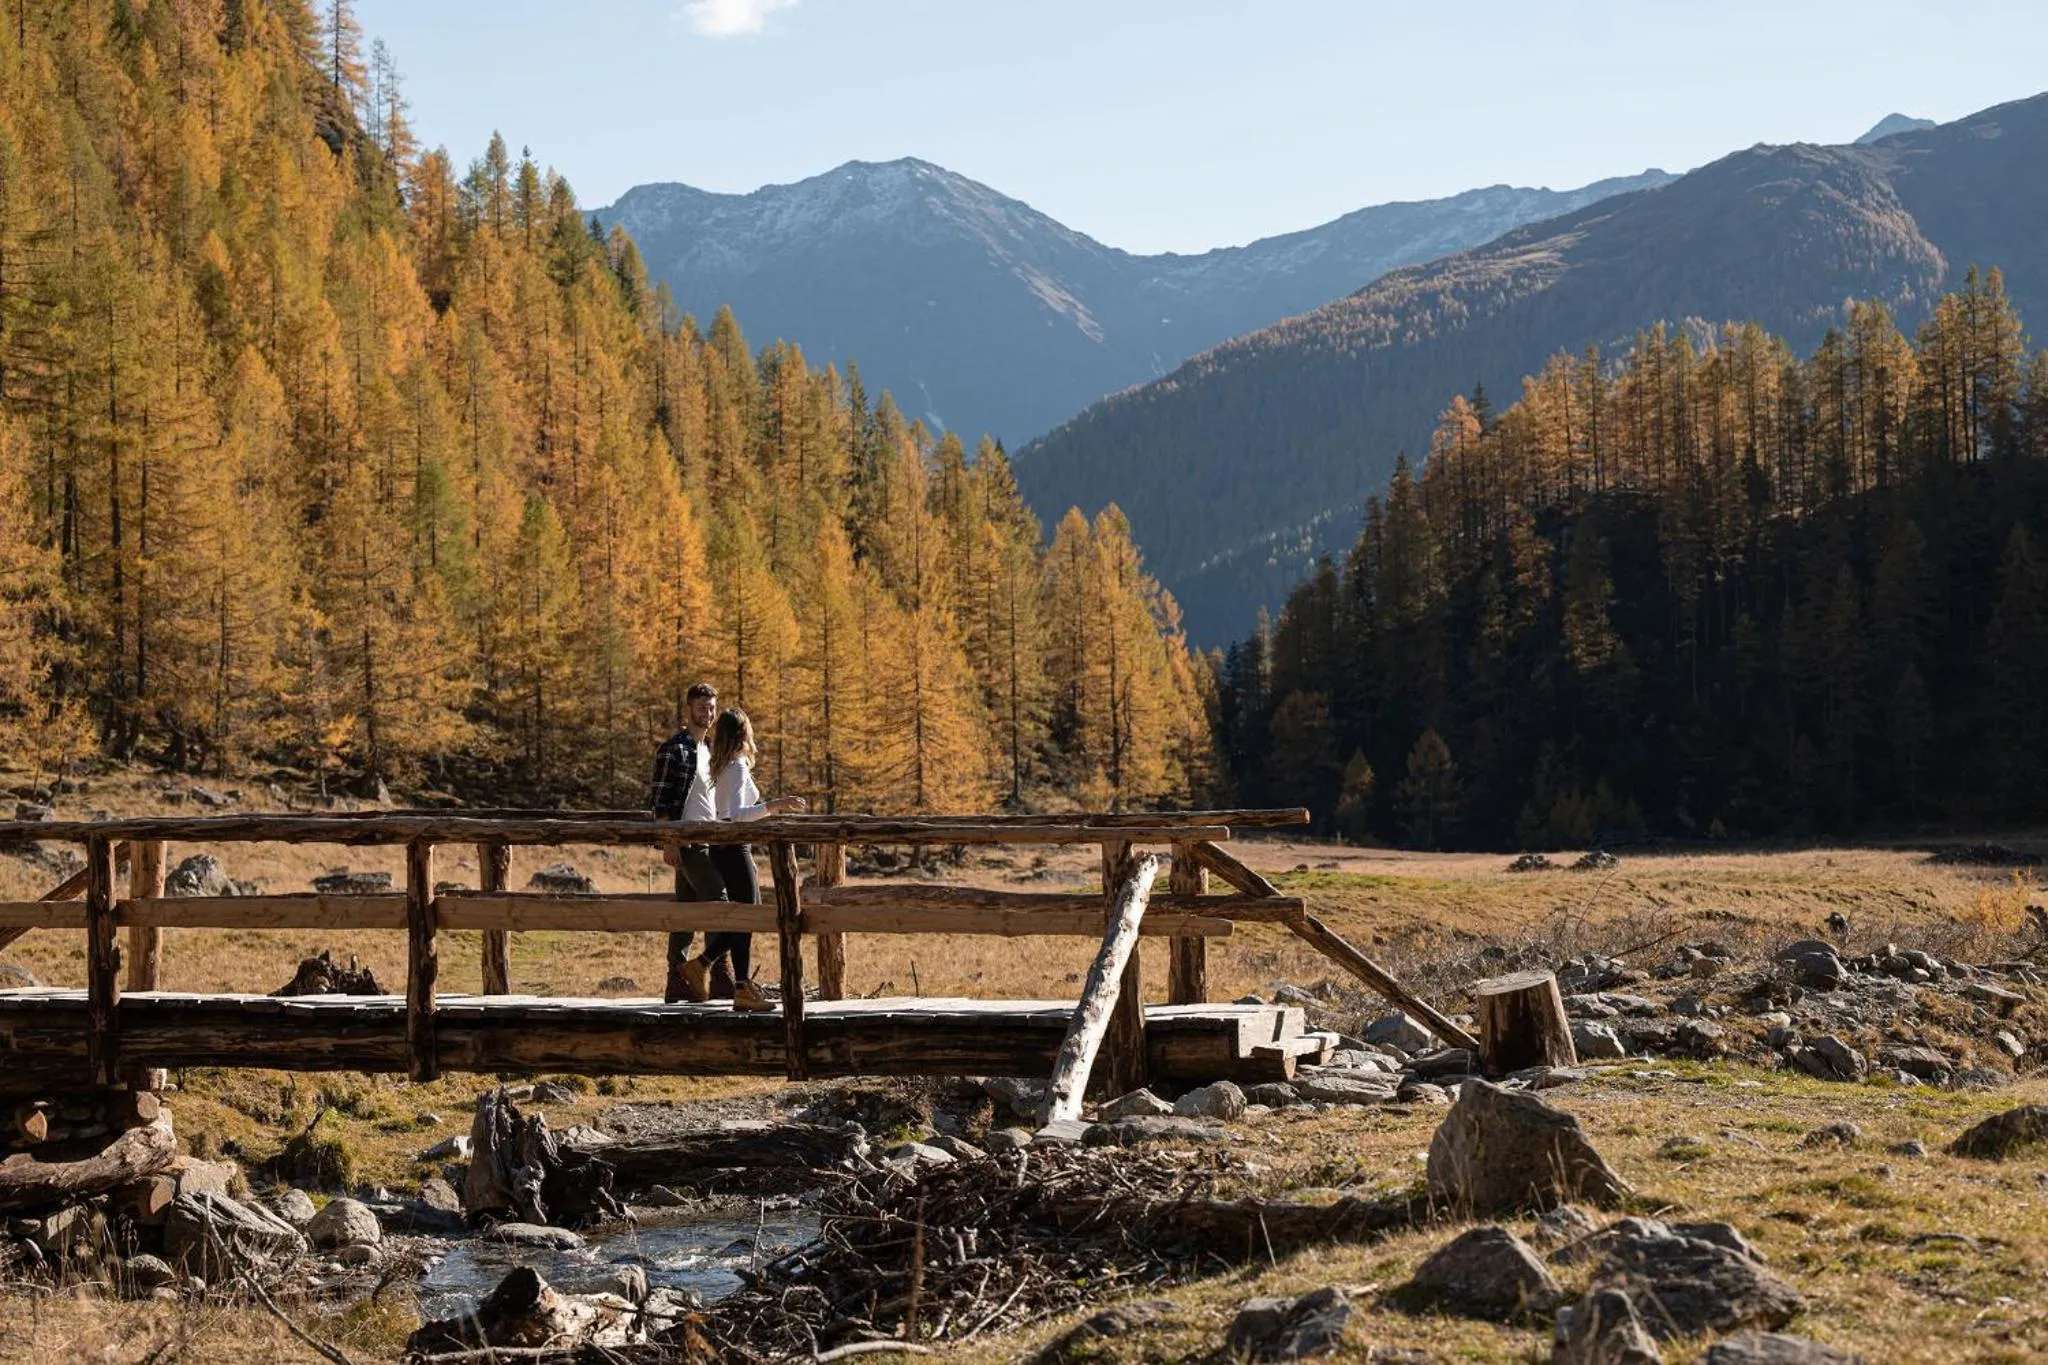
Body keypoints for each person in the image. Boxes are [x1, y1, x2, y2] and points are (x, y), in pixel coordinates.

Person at [691, 706, 807, 1012]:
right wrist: (776, 805)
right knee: (748, 915)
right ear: (744, 733)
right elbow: (737, 815)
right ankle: (740, 987)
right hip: (734, 846)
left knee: (747, 913)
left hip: (724, 847)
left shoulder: (725, 766)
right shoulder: (737, 768)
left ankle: (705, 966)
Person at [647, 682, 725, 1002]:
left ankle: (677, 979)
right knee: (720, 903)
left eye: (711, 707)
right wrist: (669, 841)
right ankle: (721, 975)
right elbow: (660, 801)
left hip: (709, 840)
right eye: (701, 707)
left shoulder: (709, 750)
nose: (707, 713)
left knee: (686, 912)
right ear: (688, 709)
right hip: (688, 842)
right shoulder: (673, 749)